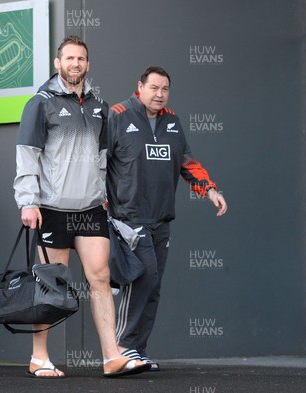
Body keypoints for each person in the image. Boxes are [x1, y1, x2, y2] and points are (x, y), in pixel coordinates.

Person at [14, 35, 150, 378]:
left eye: (81, 59)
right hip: (52, 209)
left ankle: (111, 356)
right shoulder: (40, 104)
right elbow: (27, 157)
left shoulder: (99, 107)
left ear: (87, 65)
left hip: (90, 209)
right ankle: (39, 358)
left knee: (101, 277)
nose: (75, 64)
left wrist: (103, 196)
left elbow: (103, 159)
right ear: (58, 63)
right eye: (69, 58)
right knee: (52, 283)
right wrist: (28, 202)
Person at [106, 66, 228, 371]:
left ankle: (137, 350)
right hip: (128, 216)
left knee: (154, 284)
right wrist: (101, 205)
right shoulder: (119, 116)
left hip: (161, 218)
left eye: (165, 89)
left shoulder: (172, 121)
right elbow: (99, 162)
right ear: (140, 87)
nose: (159, 94)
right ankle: (121, 346)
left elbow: (187, 163)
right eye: (154, 88)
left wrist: (209, 190)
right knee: (143, 276)